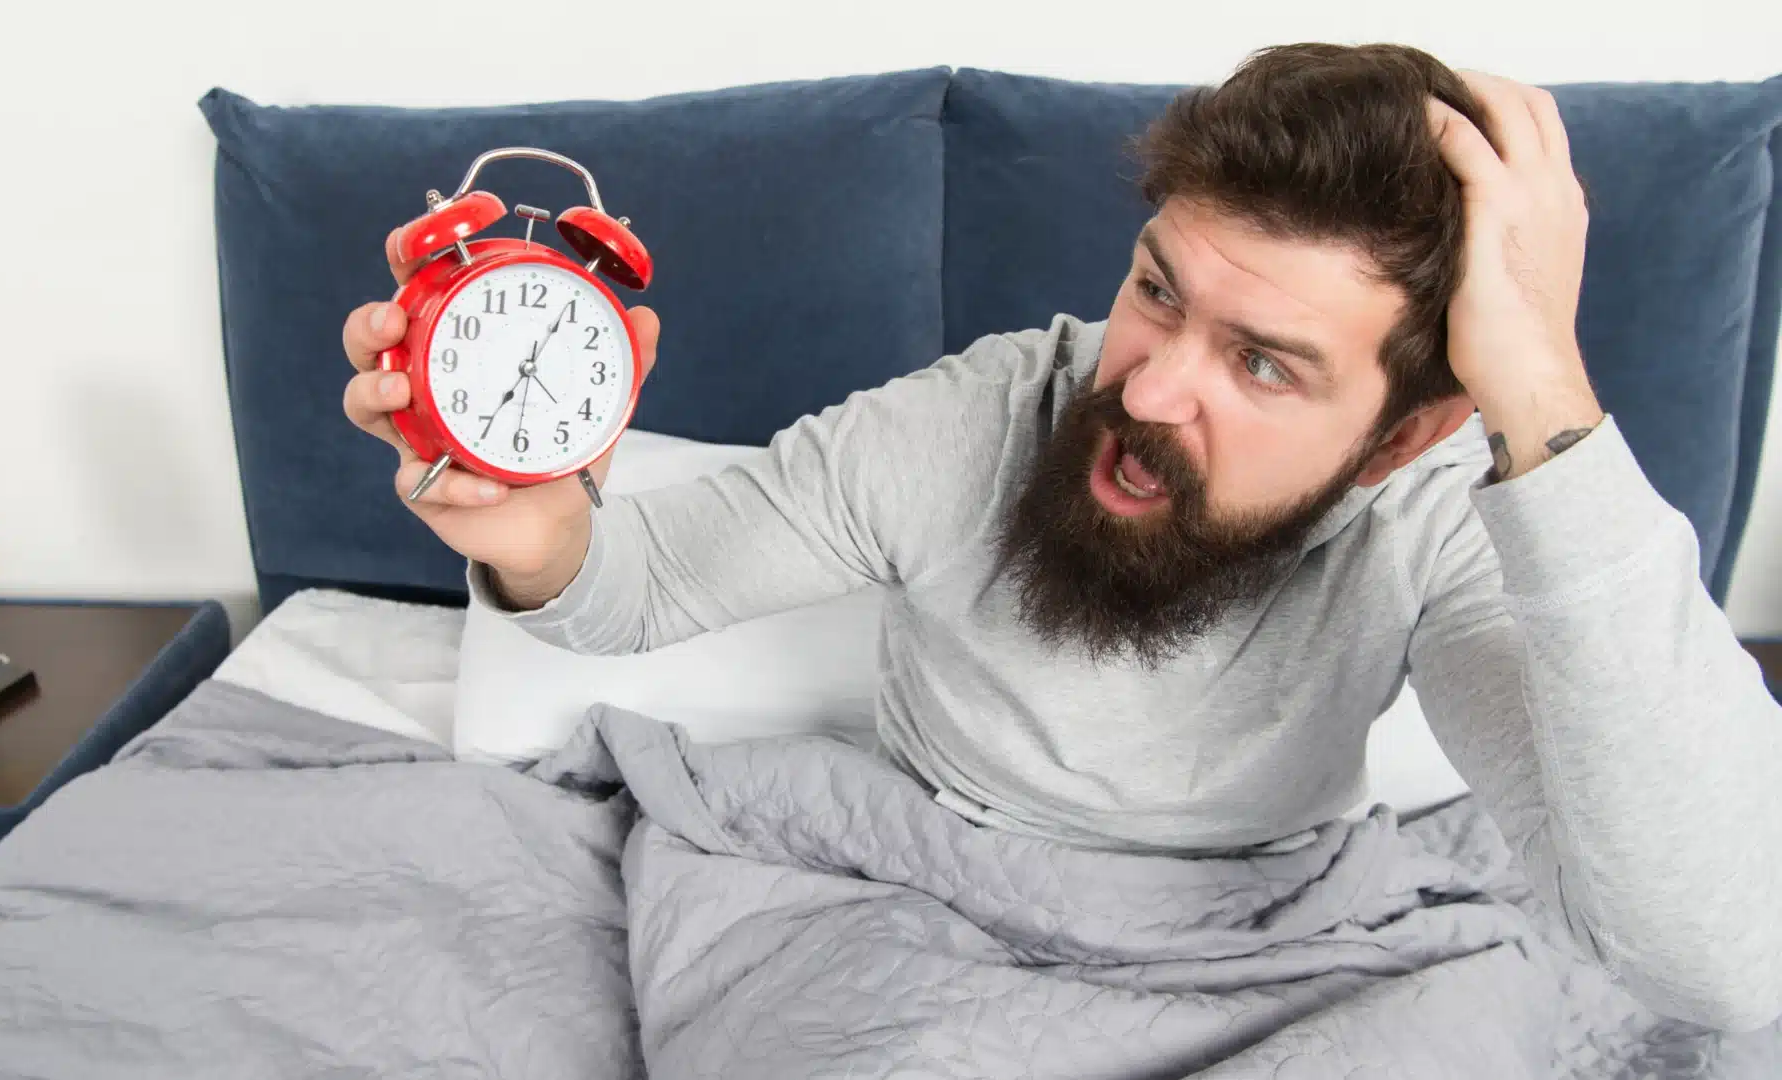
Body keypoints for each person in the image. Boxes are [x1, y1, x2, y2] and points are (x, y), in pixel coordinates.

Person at [341, 44, 1782, 1031]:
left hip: (1277, 933)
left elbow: (1716, 961)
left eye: (1264, 365)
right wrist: (536, 525)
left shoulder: (1435, 517)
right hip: (927, 897)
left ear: (1404, 434)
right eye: (1159, 291)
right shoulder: (974, 421)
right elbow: (631, 589)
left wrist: (1545, 402)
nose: (1144, 391)